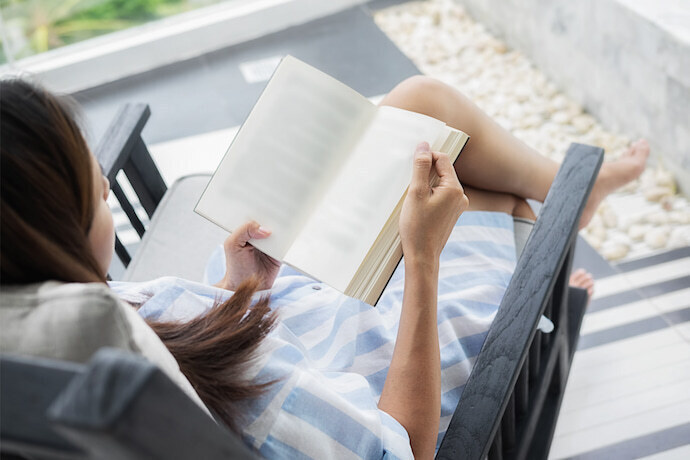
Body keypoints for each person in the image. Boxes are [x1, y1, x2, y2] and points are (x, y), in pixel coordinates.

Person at [0, 77, 646, 459]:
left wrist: (239, 291)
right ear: (49, 225)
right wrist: (420, 257)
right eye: (100, 194)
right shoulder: (111, 341)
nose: (111, 199)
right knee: (486, 183)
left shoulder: (44, 321)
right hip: (395, 372)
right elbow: (400, 448)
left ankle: (570, 198)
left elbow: (190, 357)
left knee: (423, 113)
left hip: (294, 328)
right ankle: (570, 198)